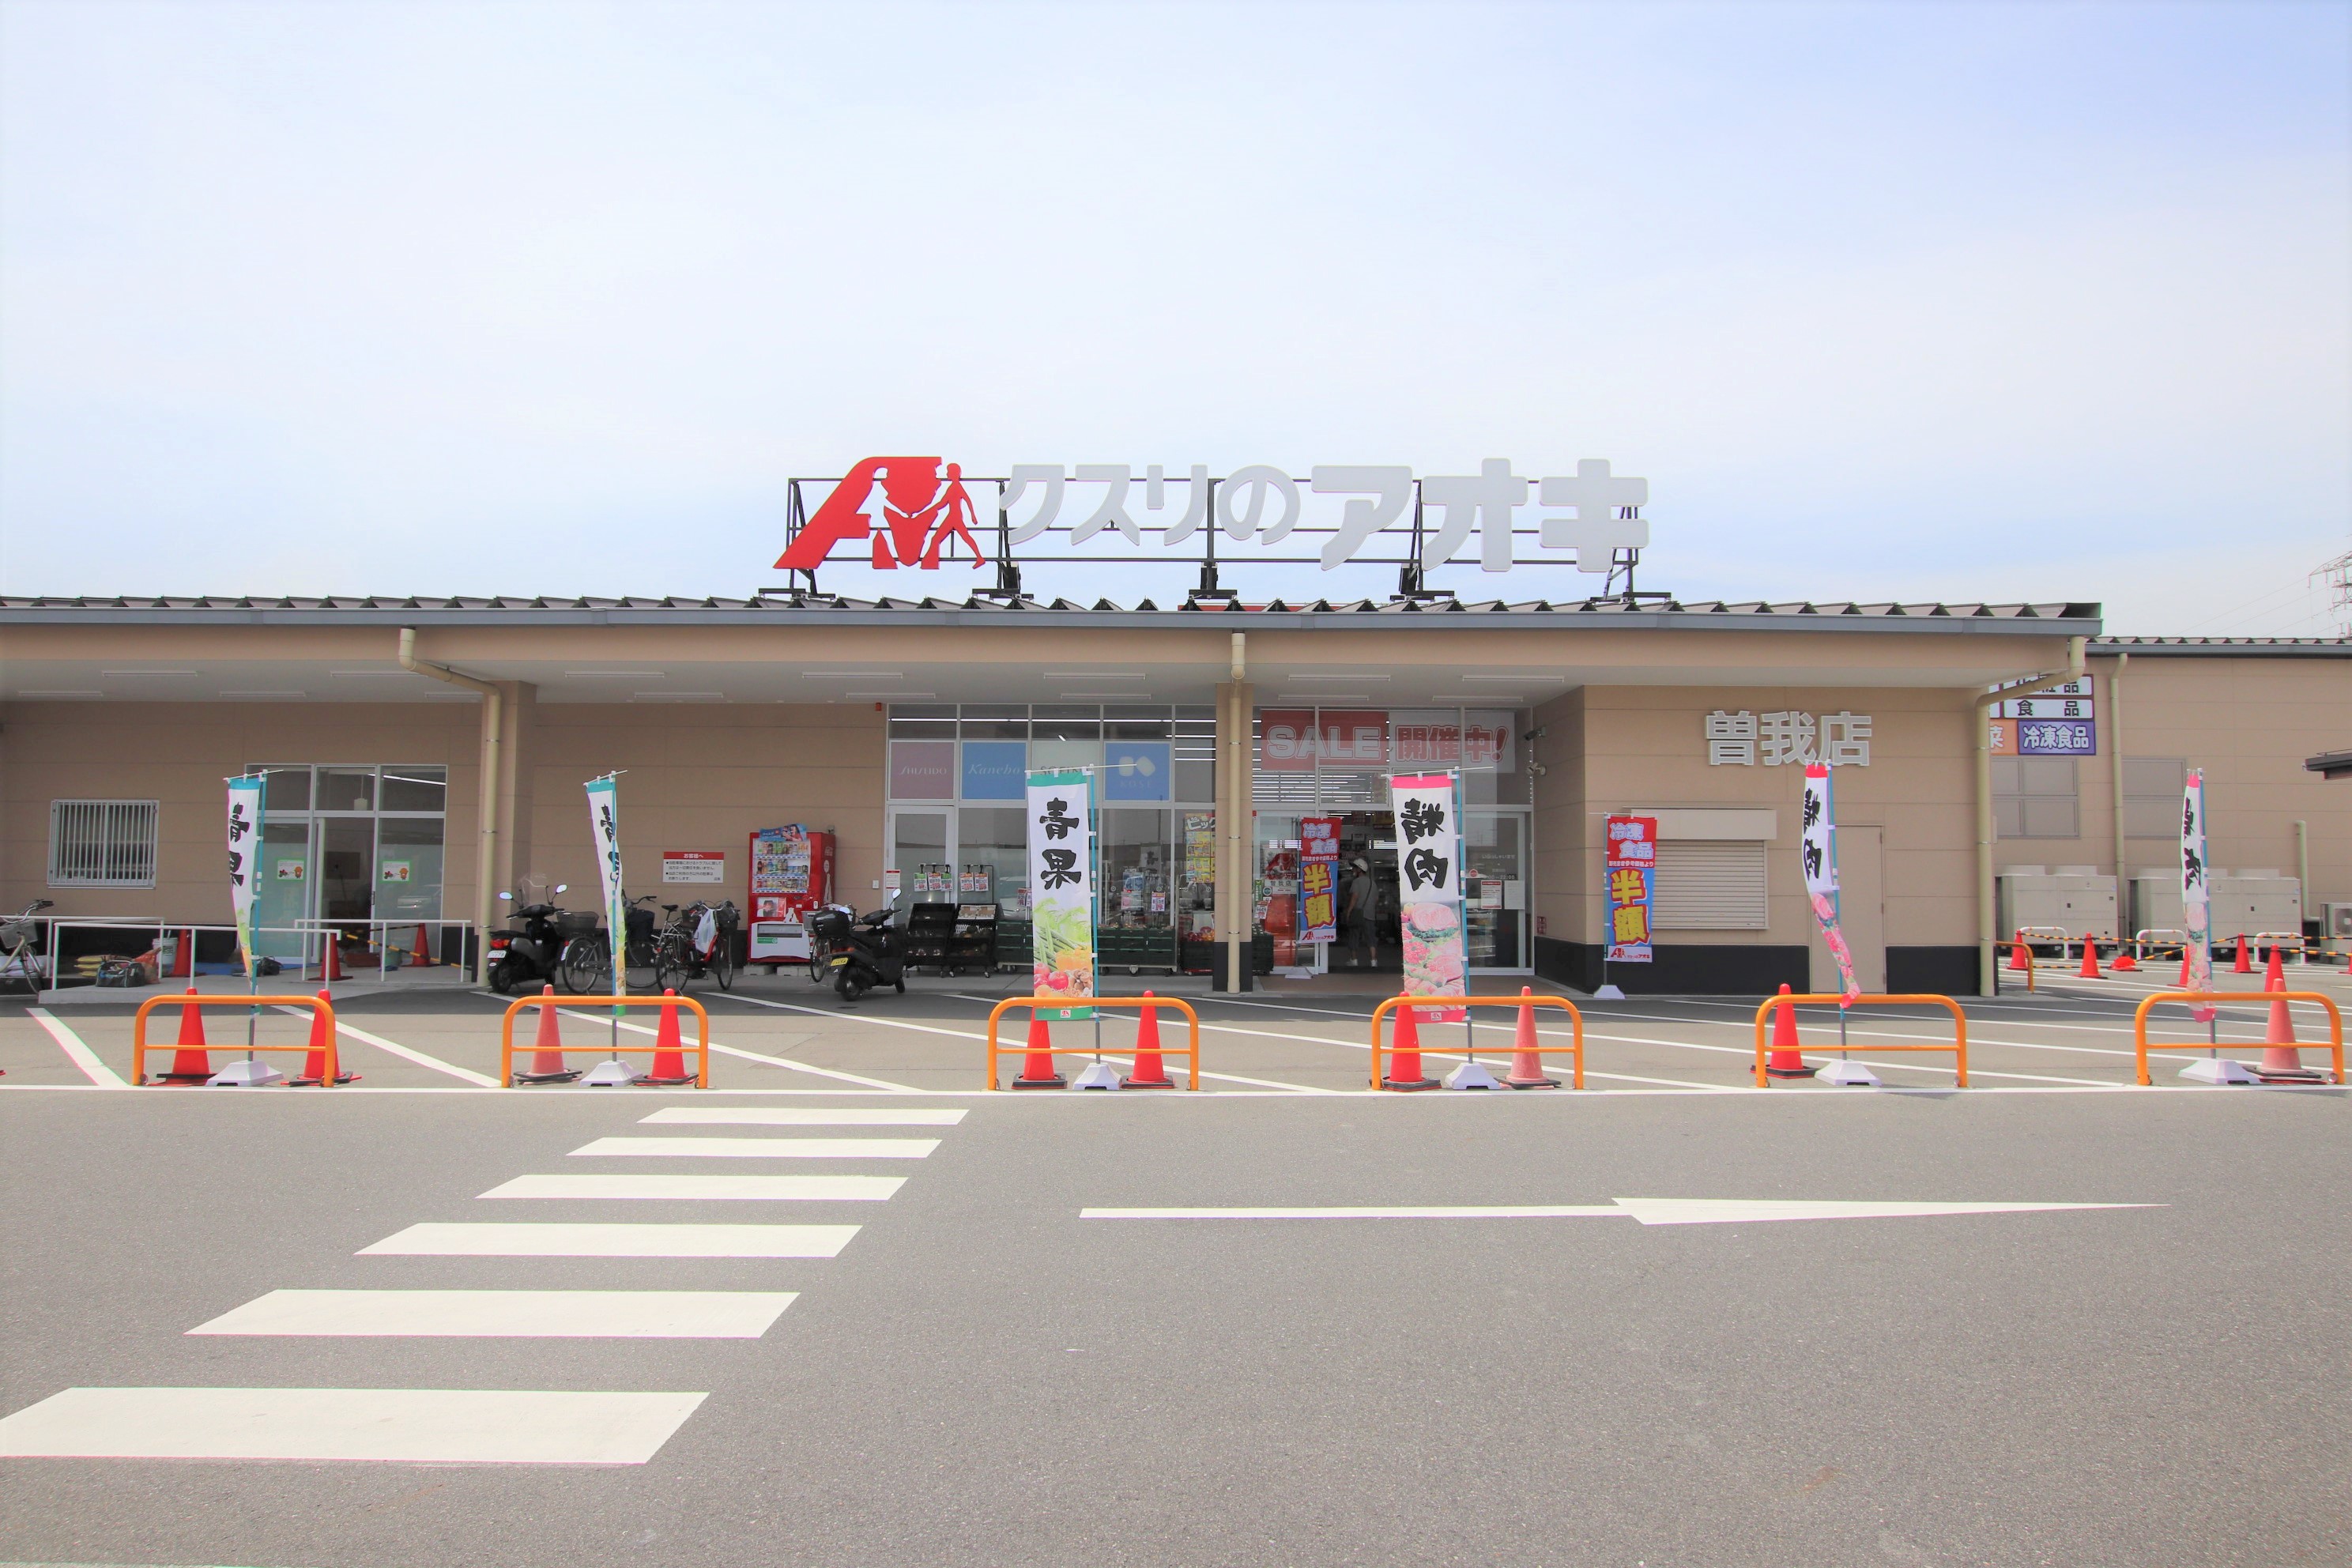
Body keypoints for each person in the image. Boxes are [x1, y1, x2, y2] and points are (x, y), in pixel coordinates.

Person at [1343, 857, 1376, 970]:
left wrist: (1349, 912)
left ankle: (1354, 961)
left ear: (1359, 870)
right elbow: (1376, 899)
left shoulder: (1356, 882)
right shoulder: (1372, 883)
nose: (1353, 870)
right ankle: (1373, 961)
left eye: (1355, 868)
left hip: (1358, 914)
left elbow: (1354, 897)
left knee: (1354, 936)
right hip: (1370, 915)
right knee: (1371, 938)